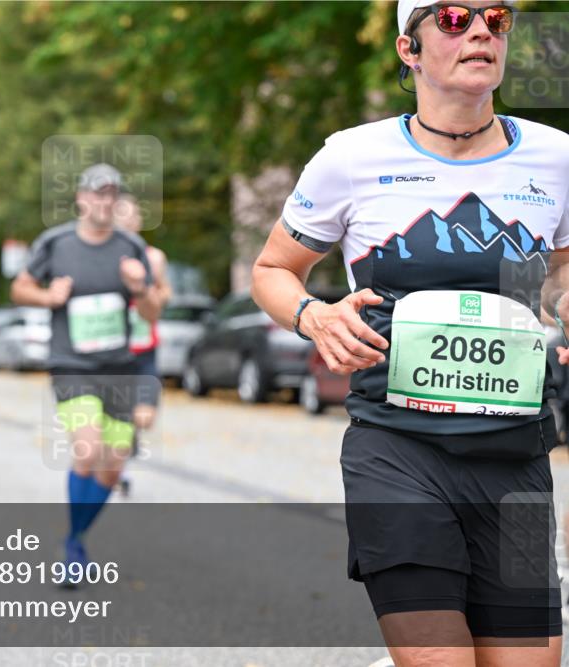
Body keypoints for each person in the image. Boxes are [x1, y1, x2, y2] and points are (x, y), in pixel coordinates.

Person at [250, 1, 567, 663]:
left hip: (514, 458)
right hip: (397, 452)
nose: (479, 31)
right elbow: (273, 269)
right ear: (408, 49)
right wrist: (315, 315)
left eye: (496, 19)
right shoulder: (352, 157)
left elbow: (561, 275)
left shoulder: (556, 158)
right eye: (453, 18)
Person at [11, 163, 161, 581]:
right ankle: (73, 548)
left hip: (119, 368)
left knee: (112, 468)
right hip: (71, 366)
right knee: (88, 448)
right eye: (97, 193)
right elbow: (19, 288)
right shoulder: (55, 243)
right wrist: (47, 297)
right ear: (80, 198)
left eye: (112, 194)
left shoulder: (131, 247)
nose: (105, 201)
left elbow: (152, 313)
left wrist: (139, 288)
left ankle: (75, 538)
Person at [115, 194, 172, 467]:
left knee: (144, 417)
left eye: (134, 214)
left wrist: (150, 299)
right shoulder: (101, 257)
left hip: (144, 347)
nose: (129, 219)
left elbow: (166, 291)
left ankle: (129, 435)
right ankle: (120, 470)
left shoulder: (154, 257)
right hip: (113, 350)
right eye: (122, 214)